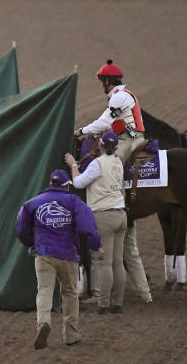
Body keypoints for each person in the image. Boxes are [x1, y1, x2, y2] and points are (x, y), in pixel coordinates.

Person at [73, 60, 152, 302]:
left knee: (107, 165)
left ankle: (115, 201)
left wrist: (82, 131)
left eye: (102, 82)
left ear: (107, 81)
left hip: (130, 140)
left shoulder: (118, 97)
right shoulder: (123, 95)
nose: (102, 86)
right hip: (129, 135)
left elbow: (106, 121)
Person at [15, 169, 102, 349]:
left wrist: (33, 243)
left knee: (44, 290)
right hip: (68, 254)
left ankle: (44, 323)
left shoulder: (33, 203)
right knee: (70, 293)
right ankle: (71, 334)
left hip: (44, 253)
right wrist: (96, 245)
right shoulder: (74, 202)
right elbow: (87, 226)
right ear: (66, 185)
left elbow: (21, 229)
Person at [64, 131, 127, 315]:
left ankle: (103, 303)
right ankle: (118, 302)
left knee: (104, 263)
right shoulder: (118, 162)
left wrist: (73, 165)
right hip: (120, 214)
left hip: (103, 215)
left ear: (100, 145)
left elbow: (78, 183)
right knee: (117, 263)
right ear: (116, 147)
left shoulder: (97, 164)